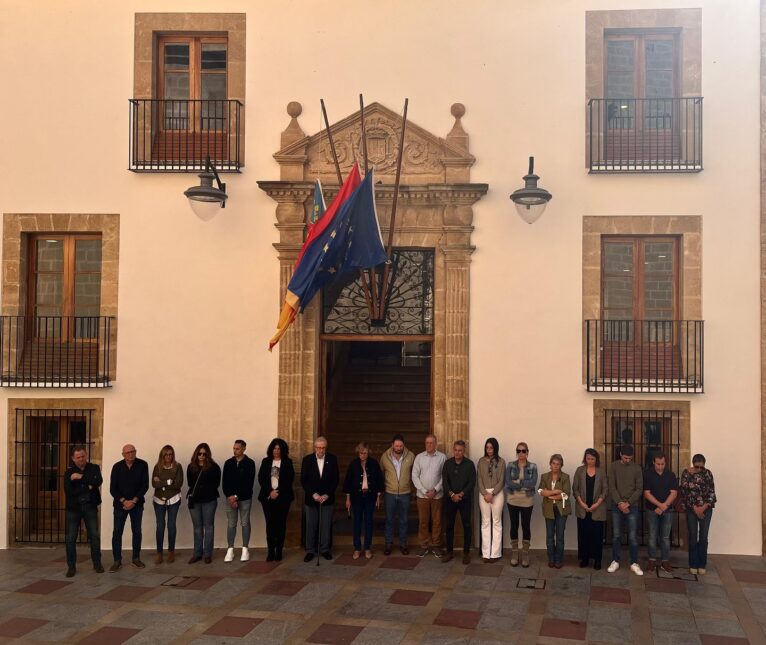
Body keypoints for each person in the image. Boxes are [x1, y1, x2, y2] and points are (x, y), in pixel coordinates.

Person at [63, 445, 103, 577]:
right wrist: (88, 486)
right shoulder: (68, 472)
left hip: (90, 506)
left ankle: (97, 564)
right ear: (73, 459)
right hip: (73, 509)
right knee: (70, 538)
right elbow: (69, 491)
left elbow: (98, 481)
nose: (81, 459)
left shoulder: (94, 468)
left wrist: (80, 478)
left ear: (86, 455)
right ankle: (71, 567)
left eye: (83, 456)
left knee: (94, 536)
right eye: (78, 457)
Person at [109, 444, 149, 572]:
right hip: (120, 505)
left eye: (133, 451)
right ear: (123, 454)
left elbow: (145, 485)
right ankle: (117, 560)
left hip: (136, 504)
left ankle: (136, 558)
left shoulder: (143, 465)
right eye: (128, 452)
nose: (131, 454)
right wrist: (124, 501)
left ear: (136, 452)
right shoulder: (117, 467)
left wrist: (134, 501)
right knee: (117, 532)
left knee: (137, 531)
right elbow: (112, 488)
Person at [301, 436, 339, 562]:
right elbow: (304, 480)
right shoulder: (307, 460)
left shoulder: (332, 459)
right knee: (310, 525)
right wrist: (314, 494)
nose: (321, 450)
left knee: (326, 525)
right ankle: (310, 550)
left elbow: (335, 479)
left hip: (327, 499)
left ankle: (324, 549)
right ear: (314, 447)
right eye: (318, 448)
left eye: (323, 448)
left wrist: (327, 494)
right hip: (312, 499)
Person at [607, 445, 644, 576]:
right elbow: (611, 486)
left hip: (632, 506)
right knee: (616, 535)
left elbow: (639, 488)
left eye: (630, 458)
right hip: (617, 505)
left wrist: (628, 503)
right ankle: (615, 560)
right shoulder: (613, 466)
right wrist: (620, 503)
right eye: (625, 457)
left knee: (633, 537)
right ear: (620, 455)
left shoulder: (637, 468)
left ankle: (634, 563)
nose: (628, 460)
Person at [343, 442, 384, 559]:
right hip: (356, 498)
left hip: (370, 497)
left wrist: (378, 497)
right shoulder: (353, 464)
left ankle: (367, 548)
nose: (363, 455)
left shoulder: (374, 463)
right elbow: (347, 483)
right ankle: (356, 548)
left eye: (365, 453)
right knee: (357, 522)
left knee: (369, 522)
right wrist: (348, 499)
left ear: (368, 452)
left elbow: (379, 481)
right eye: (361, 453)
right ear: (358, 452)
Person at [257, 438, 295, 562]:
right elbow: (261, 478)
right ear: (271, 449)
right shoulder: (266, 461)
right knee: (270, 525)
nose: (276, 451)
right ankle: (270, 551)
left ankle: (279, 551)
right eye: (274, 448)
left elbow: (289, 479)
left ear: (282, 450)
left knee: (281, 525)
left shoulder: (288, 462)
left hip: (283, 497)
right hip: (268, 497)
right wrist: (270, 491)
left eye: (279, 448)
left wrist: (277, 491)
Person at [680, 453, 716, 575]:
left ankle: (702, 564)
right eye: (697, 467)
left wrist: (703, 507)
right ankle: (693, 564)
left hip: (706, 509)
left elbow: (712, 492)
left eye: (702, 467)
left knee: (703, 537)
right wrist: (695, 508)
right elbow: (684, 492)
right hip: (691, 509)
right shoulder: (686, 473)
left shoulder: (708, 474)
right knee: (692, 536)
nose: (699, 469)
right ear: (693, 464)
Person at [412, 434, 447, 558]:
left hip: (437, 496)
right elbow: (414, 476)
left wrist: (436, 490)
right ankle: (424, 546)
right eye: (427, 443)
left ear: (436, 444)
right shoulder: (419, 457)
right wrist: (423, 490)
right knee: (423, 521)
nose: (429, 445)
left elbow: (444, 476)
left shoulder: (442, 457)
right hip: (422, 496)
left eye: (431, 443)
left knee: (437, 522)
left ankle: (437, 546)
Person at [572, 448, 607, 570]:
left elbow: (605, 490)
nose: (590, 461)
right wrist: (582, 503)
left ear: (596, 459)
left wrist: (597, 504)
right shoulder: (580, 470)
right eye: (588, 459)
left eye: (592, 459)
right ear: (585, 459)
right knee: (583, 535)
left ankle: (597, 560)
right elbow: (575, 489)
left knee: (597, 535)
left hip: (597, 508)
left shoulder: (601, 472)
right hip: (583, 509)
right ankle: (585, 559)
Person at [643, 452, 678, 573]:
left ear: (665, 463)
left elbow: (674, 493)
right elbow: (646, 493)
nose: (660, 466)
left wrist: (664, 506)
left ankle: (665, 561)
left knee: (665, 537)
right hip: (652, 510)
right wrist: (659, 505)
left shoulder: (671, 475)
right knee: (652, 536)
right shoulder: (648, 474)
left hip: (667, 511)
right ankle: (652, 560)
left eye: (662, 464)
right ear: (653, 462)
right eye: (658, 464)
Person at [222, 439, 256, 563]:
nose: (235, 450)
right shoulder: (228, 463)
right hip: (230, 499)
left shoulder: (249, 463)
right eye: (234, 448)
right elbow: (225, 482)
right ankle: (230, 549)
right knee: (231, 523)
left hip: (245, 498)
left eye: (237, 448)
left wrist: (236, 496)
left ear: (244, 449)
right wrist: (230, 496)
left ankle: (245, 548)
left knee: (245, 522)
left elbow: (248, 483)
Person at [442, 440, 476, 565]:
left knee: (467, 525)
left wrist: (461, 494)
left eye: (460, 450)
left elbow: (472, 482)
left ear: (464, 451)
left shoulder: (470, 464)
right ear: (453, 450)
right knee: (449, 525)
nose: (457, 452)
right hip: (450, 500)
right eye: (455, 450)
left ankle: (466, 553)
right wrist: (452, 495)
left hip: (464, 500)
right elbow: (445, 482)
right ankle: (449, 552)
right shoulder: (447, 464)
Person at [187, 443, 221, 564]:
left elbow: (216, 484)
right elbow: (190, 483)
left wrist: (205, 489)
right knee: (197, 528)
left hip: (209, 500)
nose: (201, 456)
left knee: (209, 526)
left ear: (208, 455)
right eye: (199, 453)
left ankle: (207, 554)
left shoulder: (214, 467)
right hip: (195, 501)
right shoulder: (191, 467)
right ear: (196, 454)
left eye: (204, 454)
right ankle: (197, 553)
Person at [505, 441, 538, 567]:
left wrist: (517, 483)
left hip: (527, 501)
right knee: (514, 525)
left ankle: (525, 554)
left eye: (523, 451)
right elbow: (508, 482)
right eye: (518, 451)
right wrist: (523, 484)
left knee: (525, 526)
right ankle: (514, 553)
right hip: (512, 500)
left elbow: (533, 482)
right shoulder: (510, 465)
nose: (521, 453)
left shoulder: (533, 466)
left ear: (527, 452)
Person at [381, 434, 415, 555]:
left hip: (405, 493)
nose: (398, 448)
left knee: (404, 520)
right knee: (389, 520)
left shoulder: (411, 456)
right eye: (396, 445)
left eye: (400, 445)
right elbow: (381, 473)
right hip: (390, 493)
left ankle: (403, 544)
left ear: (403, 445)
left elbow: (415, 473)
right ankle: (388, 544)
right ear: (392, 445)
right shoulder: (385, 457)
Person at [152, 445, 183, 564]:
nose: (168, 456)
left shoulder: (177, 467)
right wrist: (169, 481)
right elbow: (154, 485)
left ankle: (171, 551)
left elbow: (178, 484)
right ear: (162, 455)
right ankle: (159, 553)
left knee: (171, 525)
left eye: (170, 454)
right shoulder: (157, 467)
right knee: (160, 526)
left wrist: (161, 483)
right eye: (166, 454)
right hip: (159, 500)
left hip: (174, 500)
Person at [539, 454, 571, 569]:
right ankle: (551, 559)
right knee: (549, 536)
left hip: (561, 510)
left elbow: (566, 494)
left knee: (560, 536)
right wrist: (556, 491)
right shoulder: (544, 476)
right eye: (553, 463)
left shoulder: (566, 477)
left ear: (561, 465)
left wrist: (550, 494)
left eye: (558, 464)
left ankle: (558, 560)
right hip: (548, 510)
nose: (555, 466)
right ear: (550, 464)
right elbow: (540, 491)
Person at [477, 438, 505, 562]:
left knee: (497, 522)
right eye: (487, 448)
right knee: (485, 522)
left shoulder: (501, 462)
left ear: (495, 448)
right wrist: (485, 493)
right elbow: (479, 479)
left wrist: (492, 493)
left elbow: (502, 480)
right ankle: (485, 553)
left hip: (497, 494)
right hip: (483, 494)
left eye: (491, 448)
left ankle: (495, 553)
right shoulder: (481, 461)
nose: (489, 450)